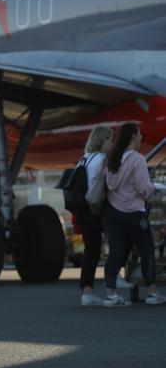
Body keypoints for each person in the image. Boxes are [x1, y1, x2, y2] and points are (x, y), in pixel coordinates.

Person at [101, 122, 165, 306]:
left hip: (113, 212)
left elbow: (109, 185)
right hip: (134, 213)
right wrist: (155, 187)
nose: (141, 138)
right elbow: (144, 189)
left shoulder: (112, 158)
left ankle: (111, 295)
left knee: (116, 252)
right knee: (147, 251)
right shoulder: (137, 160)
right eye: (139, 134)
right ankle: (152, 293)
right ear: (133, 137)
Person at [71, 126, 112, 306]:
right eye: (110, 139)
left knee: (91, 250)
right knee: (113, 243)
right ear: (103, 140)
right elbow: (108, 184)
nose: (112, 143)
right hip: (94, 208)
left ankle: (87, 291)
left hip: (81, 210)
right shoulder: (101, 159)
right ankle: (113, 280)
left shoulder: (84, 159)